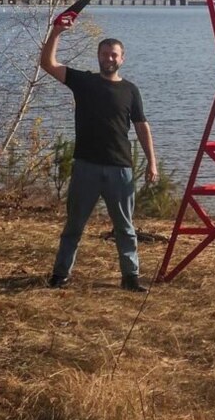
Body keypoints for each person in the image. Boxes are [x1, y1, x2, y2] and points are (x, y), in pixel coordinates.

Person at [40, 17, 158, 292]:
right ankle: (60, 275)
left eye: (114, 54)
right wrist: (56, 32)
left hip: (120, 169)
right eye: (104, 54)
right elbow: (48, 64)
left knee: (126, 229)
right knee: (74, 226)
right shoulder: (83, 82)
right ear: (98, 57)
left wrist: (152, 162)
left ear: (122, 59)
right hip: (86, 167)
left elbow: (142, 126)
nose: (109, 58)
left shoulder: (130, 90)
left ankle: (130, 278)